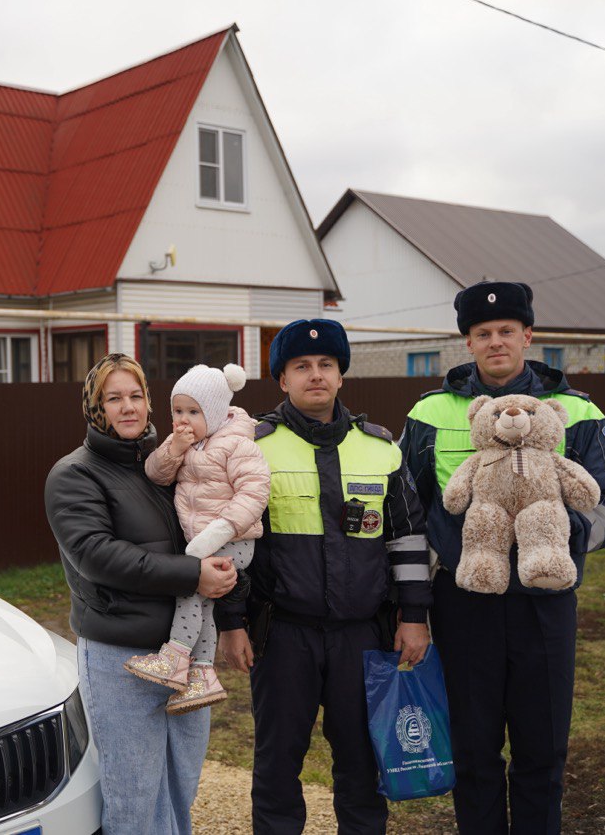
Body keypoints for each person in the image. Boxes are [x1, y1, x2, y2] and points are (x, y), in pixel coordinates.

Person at [399, 281, 605, 835]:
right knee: (474, 754)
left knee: (542, 750)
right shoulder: (431, 412)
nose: (496, 341)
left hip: (546, 604)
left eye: (507, 330)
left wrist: (558, 537)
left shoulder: (573, 411)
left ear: (528, 336)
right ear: (467, 343)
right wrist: (414, 600)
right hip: (464, 603)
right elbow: (407, 510)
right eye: (483, 334)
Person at [217, 319, 432, 834]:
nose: (316, 375)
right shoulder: (253, 447)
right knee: (276, 769)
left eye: (326, 365)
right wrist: (231, 622)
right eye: (302, 367)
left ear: (341, 376)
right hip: (282, 635)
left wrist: (416, 617)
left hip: (363, 636)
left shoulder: (381, 449)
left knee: (360, 768)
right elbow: (231, 540)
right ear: (282, 380)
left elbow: (407, 539)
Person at [44, 352, 237, 835]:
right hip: (120, 659)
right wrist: (194, 574)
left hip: (185, 657)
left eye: (136, 396)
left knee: (180, 786)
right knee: (133, 795)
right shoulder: (74, 475)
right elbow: (97, 555)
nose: (127, 407)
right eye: (113, 398)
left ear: (150, 403)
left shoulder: (168, 467)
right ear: (94, 407)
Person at [125, 363, 270, 714]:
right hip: (205, 540)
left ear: (217, 412)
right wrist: (174, 447)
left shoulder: (236, 444)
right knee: (204, 601)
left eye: (193, 411)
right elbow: (156, 474)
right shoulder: (188, 444)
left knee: (191, 591)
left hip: (232, 539)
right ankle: (202, 675)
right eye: (178, 411)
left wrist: (218, 532)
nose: (183, 419)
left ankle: (174, 658)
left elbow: (255, 492)